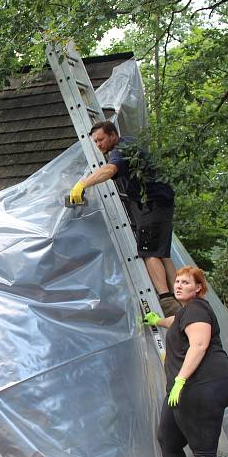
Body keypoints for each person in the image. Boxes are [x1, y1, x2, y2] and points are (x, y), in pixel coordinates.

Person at [142, 266, 228, 457]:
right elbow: (174, 322)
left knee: (204, 449)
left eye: (185, 282)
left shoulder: (197, 308)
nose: (178, 285)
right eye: (176, 281)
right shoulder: (187, 312)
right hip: (184, 389)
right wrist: (156, 321)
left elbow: (199, 344)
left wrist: (181, 380)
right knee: (169, 439)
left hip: (204, 385)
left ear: (198, 288)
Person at [68, 121, 180, 316]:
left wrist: (83, 184)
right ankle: (181, 294)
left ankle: (166, 300)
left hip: (152, 203)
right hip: (161, 201)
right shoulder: (129, 145)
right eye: (95, 142)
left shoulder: (122, 148)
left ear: (113, 135)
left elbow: (110, 170)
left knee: (148, 252)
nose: (99, 145)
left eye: (101, 139)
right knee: (162, 252)